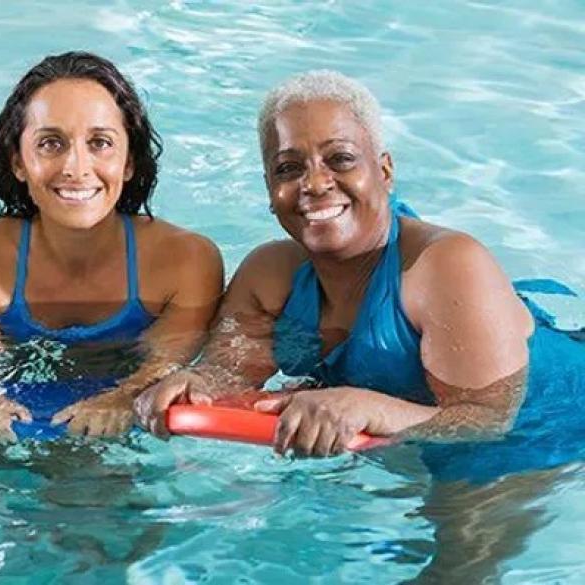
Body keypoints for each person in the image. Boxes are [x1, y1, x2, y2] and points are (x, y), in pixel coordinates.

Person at [136, 70, 585, 582]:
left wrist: (363, 406)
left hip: (541, 429)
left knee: (453, 572)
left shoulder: (444, 267)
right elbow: (230, 374)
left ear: (385, 171)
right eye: (288, 167)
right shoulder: (269, 275)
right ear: (269, 189)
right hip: (426, 426)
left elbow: (487, 419)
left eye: (340, 159)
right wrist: (196, 384)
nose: (314, 183)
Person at [0, 51, 224, 441]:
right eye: (50, 143)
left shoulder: (186, 262)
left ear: (129, 162)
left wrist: (123, 398)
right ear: (18, 161)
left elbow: (166, 367)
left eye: (100, 142)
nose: (76, 167)